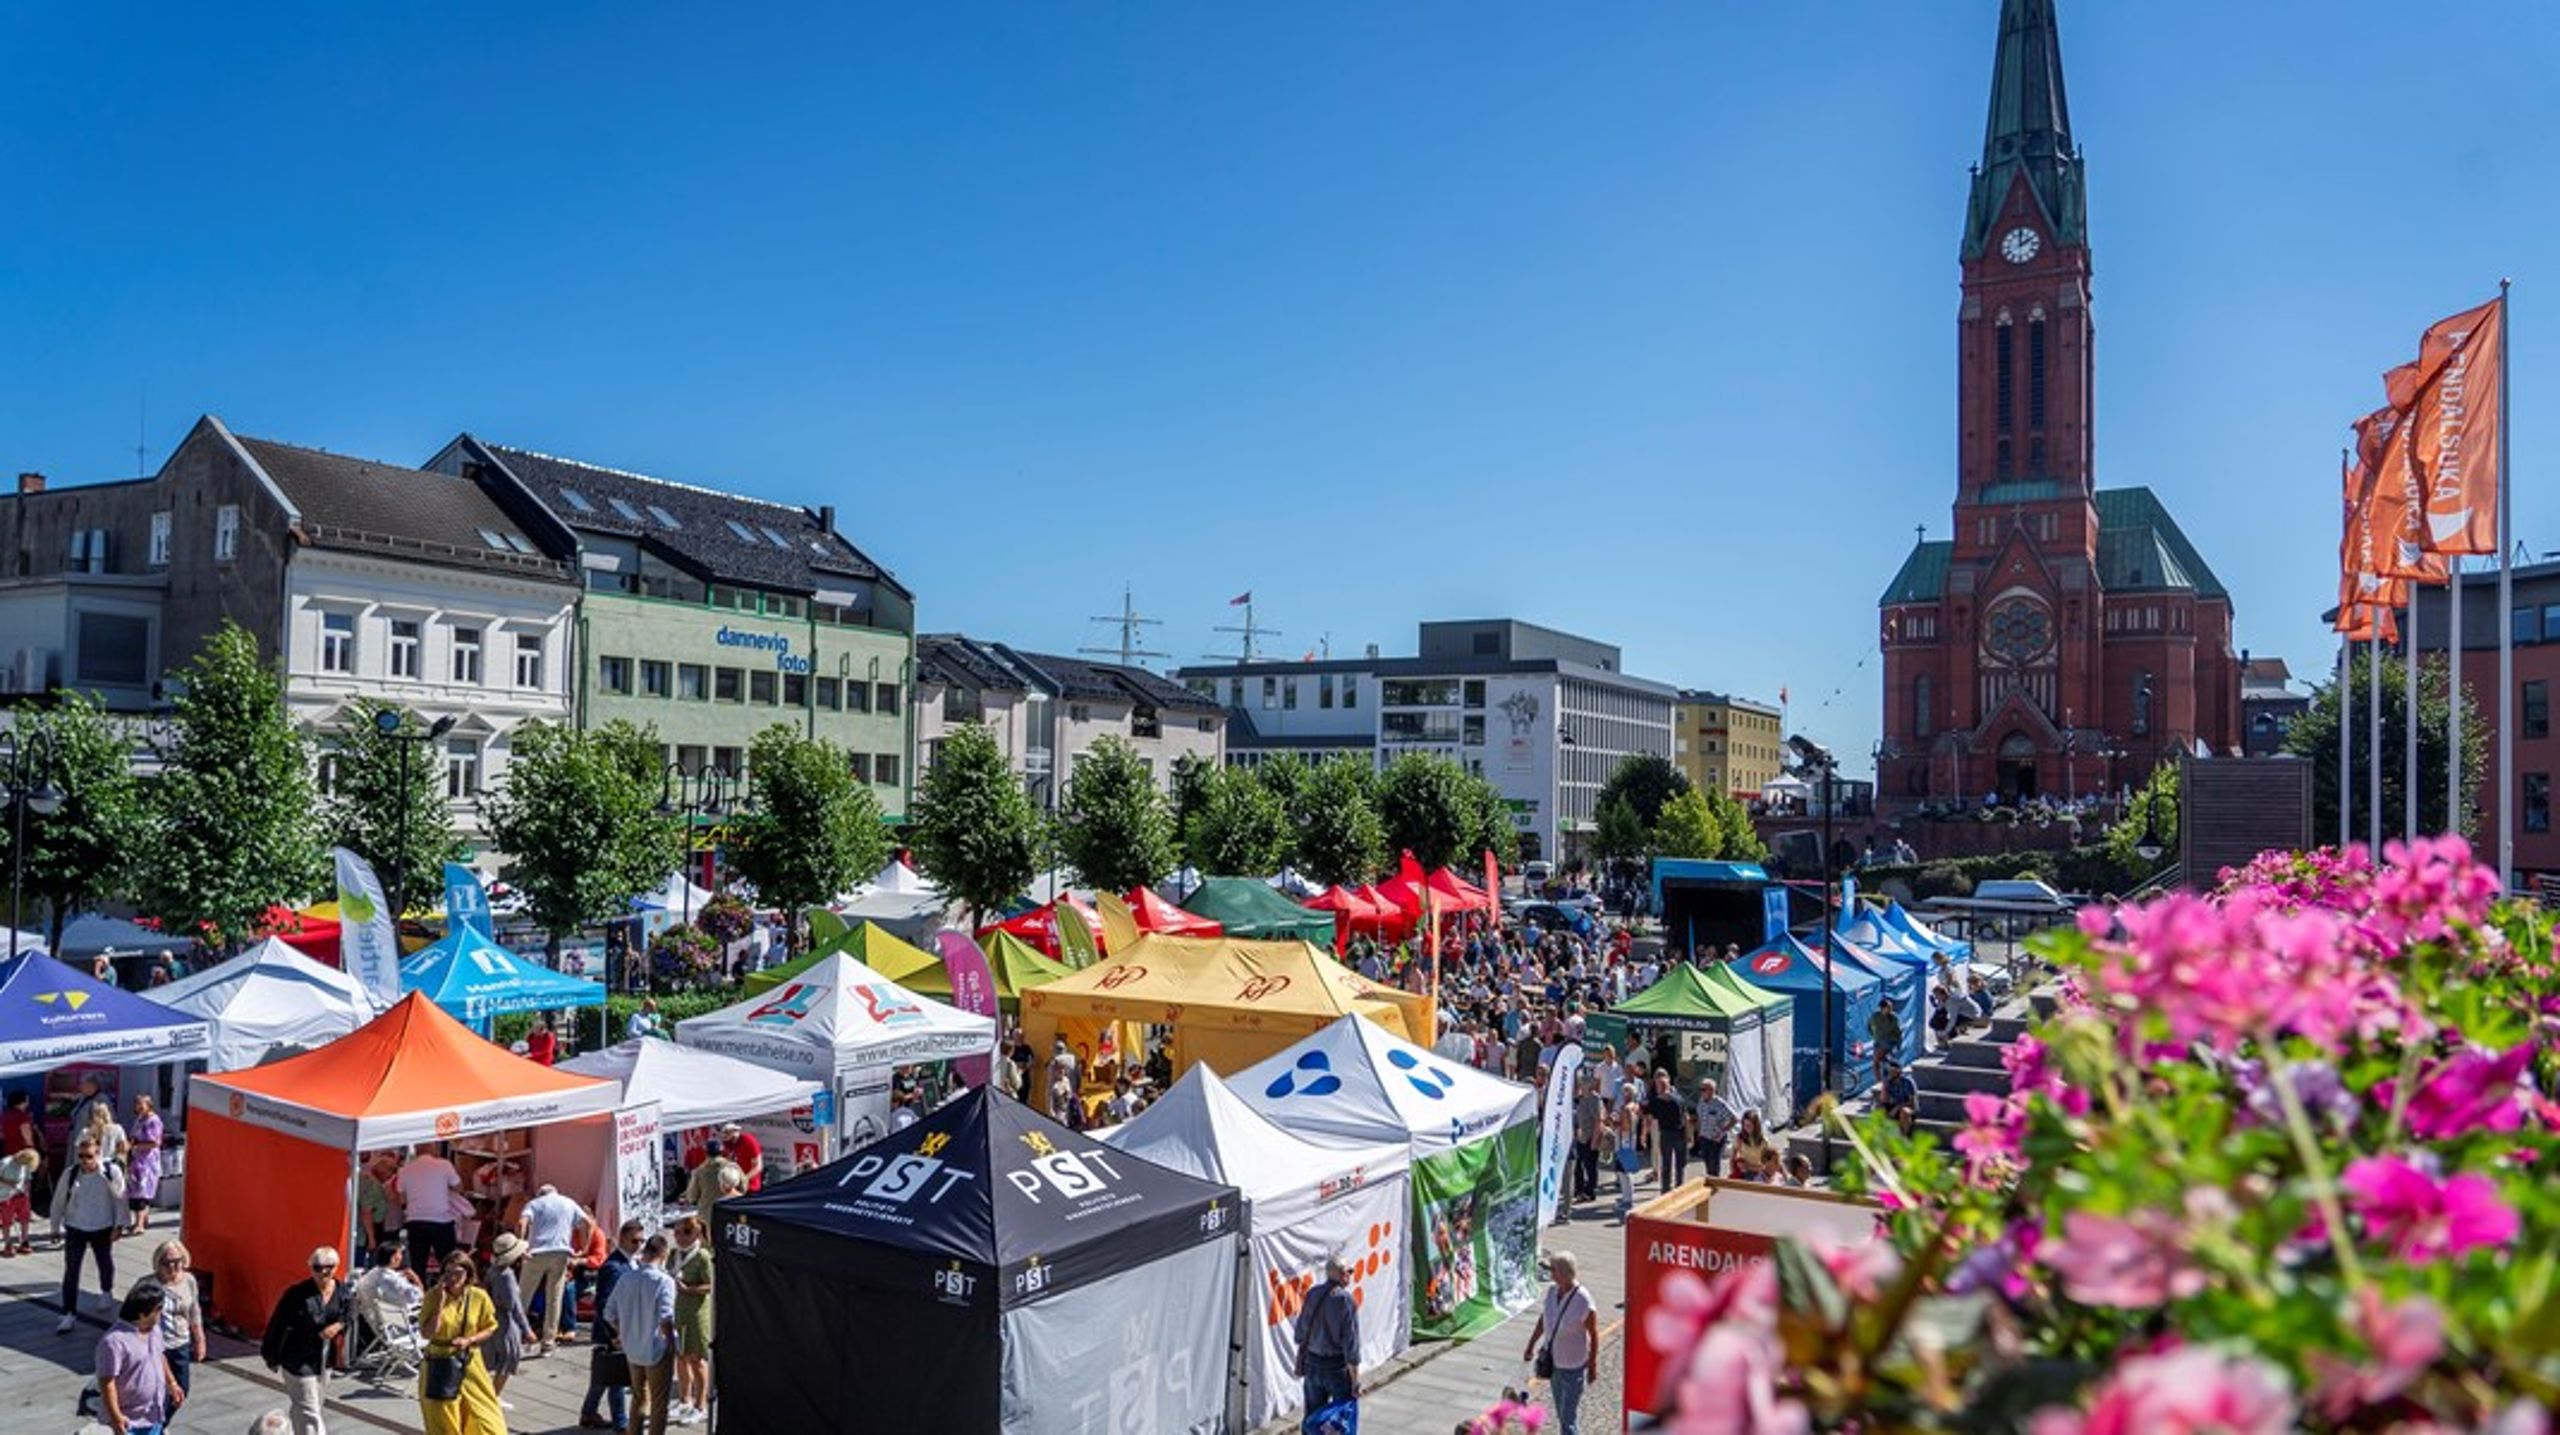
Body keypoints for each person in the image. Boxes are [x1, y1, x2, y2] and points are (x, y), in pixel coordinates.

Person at [261, 1245, 350, 1435]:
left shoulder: (342, 1291)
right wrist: (271, 1354)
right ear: (310, 1268)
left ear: (337, 1267)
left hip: (325, 1358)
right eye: (317, 1267)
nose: (323, 1271)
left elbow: (348, 1315)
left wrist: (338, 1326)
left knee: (309, 1405)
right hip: (297, 1357)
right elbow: (278, 1323)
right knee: (309, 1409)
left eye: (329, 1266)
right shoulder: (297, 1294)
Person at [417, 1251, 506, 1435]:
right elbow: (427, 1334)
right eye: (448, 1272)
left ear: (468, 1274)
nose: (453, 1278)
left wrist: (469, 1340)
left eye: (458, 1273)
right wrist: (440, 1304)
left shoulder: (478, 1296)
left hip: (470, 1363)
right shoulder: (433, 1296)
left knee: (487, 1420)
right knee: (444, 1421)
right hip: (440, 1362)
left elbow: (490, 1327)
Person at [603, 1234, 678, 1435]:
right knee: (659, 1403)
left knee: (638, 1397)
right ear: (663, 1254)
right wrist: (672, 1344)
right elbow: (666, 1318)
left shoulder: (626, 1277)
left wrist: (622, 1331)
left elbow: (608, 1312)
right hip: (656, 1348)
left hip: (632, 1347)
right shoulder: (664, 1281)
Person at [53, 1136, 126, 1332]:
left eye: (89, 1156)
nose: (85, 1160)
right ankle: (68, 1312)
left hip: (102, 1224)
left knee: (104, 1260)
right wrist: (54, 1227)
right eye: (81, 1156)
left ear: (98, 1154)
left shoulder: (110, 1172)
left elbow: (120, 1199)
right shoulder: (71, 1174)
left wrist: (119, 1225)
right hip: (76, 1225)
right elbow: (59, 1200)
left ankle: (106, 1291)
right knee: (71, 1270)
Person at [1523, 1251, 1598, 1435]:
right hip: (1554, 1364)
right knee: (1562, 1414)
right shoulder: (1551, 1292)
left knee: (1568, 1418)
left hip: (1574, 1367)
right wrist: (1531, 1344)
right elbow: (1544, 1320)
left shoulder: (1583, 1300)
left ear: (1563, 1272)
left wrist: (1593, 1364)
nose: (1550, 1273)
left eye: (1552, 1270)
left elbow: (1594, 1334)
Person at [580, 1221, 643, 1432]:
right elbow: (604, 1303)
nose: (639, 1245)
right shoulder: (614, 1267)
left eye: (642, 1241)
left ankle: (589, 1412)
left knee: (603, 1376)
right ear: (623, 1238)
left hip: (621, 1328)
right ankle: (621, 1423)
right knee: (616, 1376)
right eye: (635, 1240)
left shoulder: (631, 1262)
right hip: (613, 1331)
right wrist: (614, 1333)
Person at [516, 1182, 593, 1353]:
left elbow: (522, 1223)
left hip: (537, 1252)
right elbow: (588, 1223)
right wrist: (584, 1247)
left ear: (540, 1194)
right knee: (554, 1298)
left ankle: (516, 1335)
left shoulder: (534, 1204)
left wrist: (521, 1246)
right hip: (561, 1252)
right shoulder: (569, 1203)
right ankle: (548, 1343)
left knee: (523, 1296)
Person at [97, 1279, 180, 1435]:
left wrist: (172, 1383)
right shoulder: (114, 1342)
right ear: (143, 1313)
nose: (162, 1313)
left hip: (153, 1415)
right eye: (159, 1309)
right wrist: (116, 1417)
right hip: (128, 1421)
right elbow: (107, 1383)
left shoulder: (154, 1330)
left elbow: (160, 1356)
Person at [1290, 1252, 1360, 1418]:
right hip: (1336, 1367)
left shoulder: (1313, 1293)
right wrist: (1355, 1380)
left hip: (1312, 1364)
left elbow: (1300, 1334)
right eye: (1350, 1272)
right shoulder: (1345, 1300)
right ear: (1342, 1275)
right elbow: (1351, 1344)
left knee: (1313, 1418)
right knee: (1340, 1419)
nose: (1350, 1275)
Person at [669, 1216, 714, 1426]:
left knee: (697, 1360)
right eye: (676, 1232)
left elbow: (709, 1286)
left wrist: (689, 1289)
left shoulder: (703, 1256)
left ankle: (701, 1405)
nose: (677, 1237)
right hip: (677, 1310)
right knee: (680, 1356)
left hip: (696, 1313)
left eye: (682, 1233)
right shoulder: (674, 1253)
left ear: (695, 1234)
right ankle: (684, 1400)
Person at [149, 1241, 205, 1402]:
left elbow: (194, 1310)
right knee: (157, 1389)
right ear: (158, 1263)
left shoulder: (189, 1280)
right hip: (156, 1345)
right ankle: (156, 1425)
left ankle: (161, 1423)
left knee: (182, 1389)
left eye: (177, 1261)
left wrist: (200, 1340)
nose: (172, 1267)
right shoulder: (149, 1285)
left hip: (180, 1343)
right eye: (166, 1263)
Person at [398, 1145, 467, 1273]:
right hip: (441, 1221)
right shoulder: (444, 1165)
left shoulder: (404, 1170)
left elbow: (402, 1199)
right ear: (433, 1150)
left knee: (418, 1264)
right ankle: (447, 1289)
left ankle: (419, 1290)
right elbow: (459, 1187)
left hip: (415, 1220)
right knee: (447, 1263)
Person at [483, 1233, 532, 1401]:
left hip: (492, 1318)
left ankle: (490, 1394)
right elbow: (514, 1307)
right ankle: (493, 1396)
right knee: (507, 1360)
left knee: (493, 1358)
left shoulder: (493, 1270)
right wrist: (527, 1330)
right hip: (505, 1322)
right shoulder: (507, 1276)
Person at [1643, 1069, 1690, 1192]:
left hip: (1666, 1134)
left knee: (1666, 1164)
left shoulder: (1656, 1101)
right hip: (1680, 1134)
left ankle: (1665, 1190)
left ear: (1659, 1087)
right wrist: (1689, 1134)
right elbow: (1686, 1118)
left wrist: (1644, 1134)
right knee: (1680, 1164)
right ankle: (1680, 1188)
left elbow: (1648, 1116)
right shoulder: (1679, 1099)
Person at [124, 1095, 164, 1236]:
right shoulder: (141, 1119)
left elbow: (155, 1143)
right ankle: (140, 1222)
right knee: (136, 1191)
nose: (138, 1107)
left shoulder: (153, 1121)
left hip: (147, 1162)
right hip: (137, 1160)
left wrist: (134, 1145)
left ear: (149, 1105)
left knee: (142, 1192)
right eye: (137, 1104)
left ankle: (140, 1224)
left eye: (141, 1104)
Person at [681, 1140, 743, 1230]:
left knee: (708, 1243)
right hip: (731, 1214)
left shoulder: (699, 1172)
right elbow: (744, 1188)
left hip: (707, 1218)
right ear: (722, 1152)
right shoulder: (734, 1167)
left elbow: (691, 1197)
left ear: (706, 1153)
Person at [356, 1152, 403, 1260]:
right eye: (391, 1174)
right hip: (364, 1232)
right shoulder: (373, 1186)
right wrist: (371, 1238)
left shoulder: (366, 1178)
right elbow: (366, 1212)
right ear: (385, 1172)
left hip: (363, 1229)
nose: (390, 1178)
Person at [1692, 1078, 1738, 1182]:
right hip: (1704, 1138)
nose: (1701, 1092)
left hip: (1715, 1139)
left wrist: (1722, 1132)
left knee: (1714, 1166)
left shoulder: (1720, 1104)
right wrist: (1698, 1132)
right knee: (1707, 1164)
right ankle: (1711, 1183)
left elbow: (1734, 1118)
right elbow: (1700, 1117)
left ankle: (1716, 1185)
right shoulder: (1701, 1102)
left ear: (1712, 1090)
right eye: (1701, 1089)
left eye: (1704, 1089)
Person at [0, 1146, 38, 1258]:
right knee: (7, 1222)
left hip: (20, 1195)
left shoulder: (26, 1165)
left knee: (24, 1219)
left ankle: (24, 1242)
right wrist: (10, 1183)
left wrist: (27, 1194)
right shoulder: (5, 1162)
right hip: (5, 1197)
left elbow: (27, 1179)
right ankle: (8, 1244)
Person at [1730, 1111, 1778, 1181]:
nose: (1746, 1128)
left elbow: (1765, 1165)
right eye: (1744, 1125)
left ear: (1756, 1125)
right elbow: (1732, 1159)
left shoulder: (1764, 1142)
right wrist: (1733, 1173)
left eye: (1749, 1125)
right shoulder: (1739, 1138)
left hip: (1758, 1175)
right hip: (1742, 1174)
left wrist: (1748, 1167)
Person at [716, 1121, 764, 1192]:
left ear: (734, 1132)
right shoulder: (726, 1143)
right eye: (723, 1133)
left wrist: (744, 1178)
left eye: (727, 1133)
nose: (724, 1136)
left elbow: (758, 1166)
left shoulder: (748, 1140)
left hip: (750, 1186)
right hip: (733, 1185)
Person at [1880, 1062, 1920, 1127]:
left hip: (1909, 1108)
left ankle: (1903, 1135)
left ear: (1899, 1070)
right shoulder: (1889, 1082)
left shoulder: (1907, 1082)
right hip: (1895, 1107)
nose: (1891, 1072)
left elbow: (1911, 1102)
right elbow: (1884, 1100)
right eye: (1890, 1070)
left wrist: (1897, 1107)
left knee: (1904, 1111)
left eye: (1893, 1070)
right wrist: (1884, 1086)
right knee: (1880, 1110)